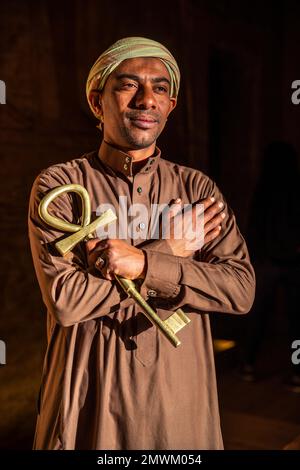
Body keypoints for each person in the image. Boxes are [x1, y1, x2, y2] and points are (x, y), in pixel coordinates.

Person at [28, 37, 255, 450]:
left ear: (171, 105)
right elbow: (65, 301)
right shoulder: (60, 186)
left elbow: (240, 290)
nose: (146, 99)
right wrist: (167, 253)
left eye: (161, 88)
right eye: (128, 85)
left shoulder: (196, 189)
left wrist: (142, 263)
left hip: (178, 403)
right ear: (98, 103)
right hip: (89, 399)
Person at [240, 141, 300, 389]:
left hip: (278, 262)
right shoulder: (280, 186)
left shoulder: (268, 186)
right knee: (291, 319)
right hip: (283, 263)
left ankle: (249, 365)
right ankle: (252, 365)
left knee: (264, 316)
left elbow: (255, 225)